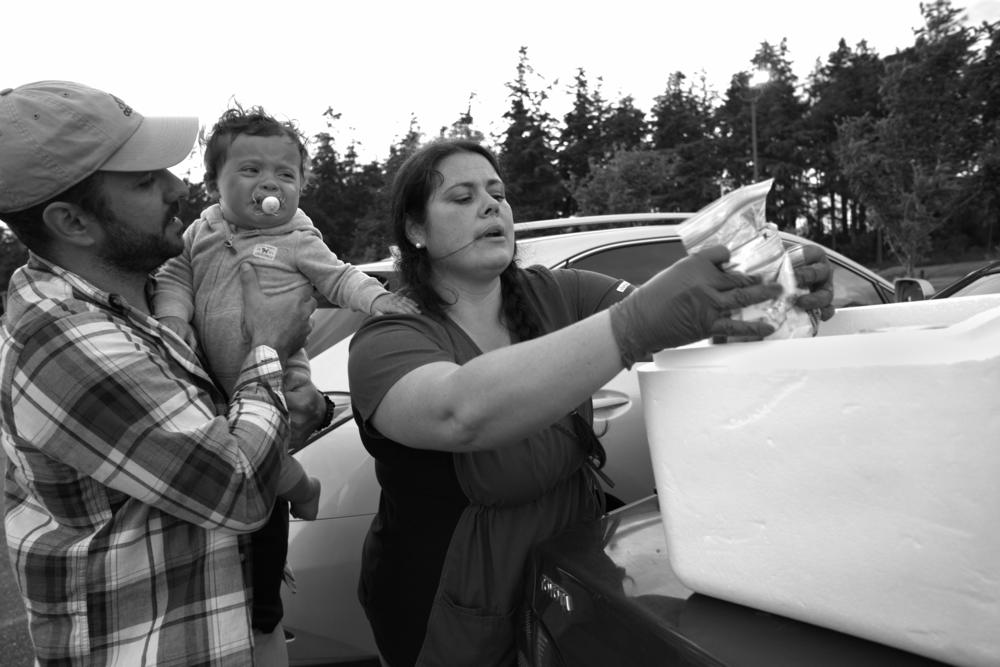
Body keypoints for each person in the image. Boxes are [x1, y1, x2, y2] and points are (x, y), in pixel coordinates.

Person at [346, 139, 836, 666]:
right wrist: (632, 326)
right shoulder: (386, 340)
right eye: (462, 198)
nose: (492, 206)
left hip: (571, 578)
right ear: (416, 231)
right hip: (447, 607)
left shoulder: (564, 293)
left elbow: (689, 325)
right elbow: (458, 412)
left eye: (498, 193)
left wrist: (774, 290)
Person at [0, 80, 328, 666]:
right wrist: (269, 351)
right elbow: (239, 485)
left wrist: (301, 404)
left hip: (229, 619)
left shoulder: (145, 299)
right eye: (146, 180)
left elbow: (235, 430)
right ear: (73, 222)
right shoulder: (62, 342)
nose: (178, 187)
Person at [150, 104, 419, 662]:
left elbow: (340, 278)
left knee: (266, 447)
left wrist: (385, 304)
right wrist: (173, 318)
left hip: (279, 370)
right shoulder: (200, 230)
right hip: (208, 377)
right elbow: (174, 275)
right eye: (250, 170)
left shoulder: (299, 237)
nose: (270, 183)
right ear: (214, 181)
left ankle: (297, 494)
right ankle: (301, 489)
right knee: (241, 455)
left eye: (286, 174)